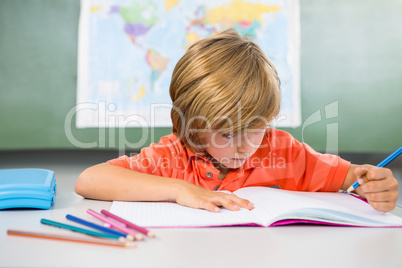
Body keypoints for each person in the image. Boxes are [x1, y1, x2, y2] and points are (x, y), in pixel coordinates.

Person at [75, 29, 398, 213]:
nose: (245, 146)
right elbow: (89, 180)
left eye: (256, 129)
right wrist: (180, 190)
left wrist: (373, 184)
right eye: (227, 134)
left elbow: (351, 180)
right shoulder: (174, 154)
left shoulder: (284, 151)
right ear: (193, 126)